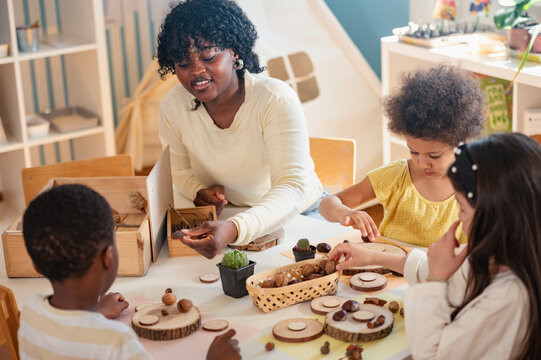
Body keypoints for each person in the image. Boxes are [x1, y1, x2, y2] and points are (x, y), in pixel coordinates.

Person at [328, 133, 541, 359]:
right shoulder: (504, 258)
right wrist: (373, 257)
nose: (458, 218)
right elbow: (458, 279)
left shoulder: (507, 298)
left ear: (494, 217)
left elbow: (430, 355)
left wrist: (436, 279)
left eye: (462, 209)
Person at [156, 0, 323, 259]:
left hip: (298, 215)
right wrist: (199, 192)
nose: (197, 71)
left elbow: (290, 187)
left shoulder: (275, 100)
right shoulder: (172, 107)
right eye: (183, 63)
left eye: (209, 57)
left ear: (234, 51)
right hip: (230, 218)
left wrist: (234, 229)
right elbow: (179, 171)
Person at [18, 184, 242, 360]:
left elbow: (69, 337)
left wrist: (95, 312)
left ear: (36, 266)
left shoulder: (29, 310)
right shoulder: (117, 342)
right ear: (108, 257)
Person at [319, 65, 485, 246]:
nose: (422, 163)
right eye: (413, 151)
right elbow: (327, 203)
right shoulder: (397, 176)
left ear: (462, 142)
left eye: (434, 156)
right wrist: (344, 212)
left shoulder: (477, 185)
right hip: (390, 271)